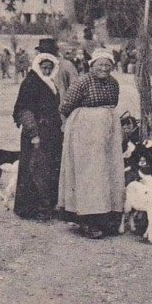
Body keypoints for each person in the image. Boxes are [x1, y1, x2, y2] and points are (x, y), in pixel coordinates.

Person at [57, 48, 125, 239]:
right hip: (85, 132)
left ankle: (107, 217)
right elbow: (65, 106)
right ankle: (87, 219)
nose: (104, 68)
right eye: (100, 64)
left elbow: (113, 104)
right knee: (89, 174)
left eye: (108, 65)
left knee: (109, 172)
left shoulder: (114, 83)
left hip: (108, 132)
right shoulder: (82, 82)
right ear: (92, 65)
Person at [12, 52, 63, 221]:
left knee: (48, 169)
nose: (47, 71)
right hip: (37, 134)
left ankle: (47, 206)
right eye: (44, 68)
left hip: (51, 133)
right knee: (36, 170)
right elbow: (25, 110)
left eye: (49, 68)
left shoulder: (49, 82)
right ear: (37, 66)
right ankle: (33, 209)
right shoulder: (31, 83)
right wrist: (33, 134)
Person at [35, 38, 78, 102]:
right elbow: (75, 87)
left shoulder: (37, 66)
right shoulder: (67, 64)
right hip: (62, 103)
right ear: (56, 51)